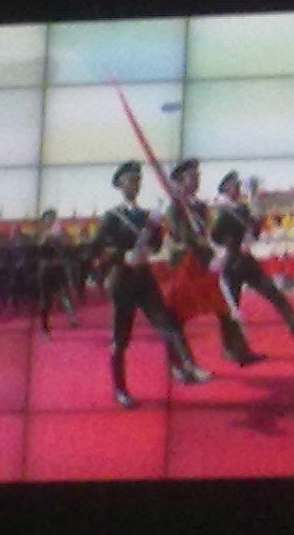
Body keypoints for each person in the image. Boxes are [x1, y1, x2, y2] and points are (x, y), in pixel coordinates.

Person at [90, 160, 210, 408]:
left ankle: (186, 365)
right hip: (122, 280)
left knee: (167, 323)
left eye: (137, 181)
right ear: (120, 185)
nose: (135, 185)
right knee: (121, 338)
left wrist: (154, 234)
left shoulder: (147, 215)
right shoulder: (112, 217)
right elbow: (95, 248)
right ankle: (120, 390)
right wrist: (122, 255)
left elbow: (155, 245)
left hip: (144, 277)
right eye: (130, 181)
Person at [168, 158, 263, 366]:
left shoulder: (200, 207)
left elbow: (209, 234)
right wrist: (209, 256)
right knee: (178, 316)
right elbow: (185, 237)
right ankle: (178, 365)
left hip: (206, 263)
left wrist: (217, 252)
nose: (196, 180)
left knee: (226, 307)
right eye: (192, 177)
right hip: (185, 266)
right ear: (180, 181)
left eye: (197, 176)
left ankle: (235, 350)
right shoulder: (175, 208)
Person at [212, 171, 294, 337]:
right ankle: (231, 342)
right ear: (226, 189)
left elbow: (254, 231)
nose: (238, 189)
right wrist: (233, 245)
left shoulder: (242, 208)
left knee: (272, 292)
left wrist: (256, 223)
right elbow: (215, 236)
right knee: (232, 304)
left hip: (246, 260)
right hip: (231, 262)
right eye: (235, 186)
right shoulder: (224, 210)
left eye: (238, 185)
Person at [32, 208, 79, 336]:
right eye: (49, 218)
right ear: (44, 220)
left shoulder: (60, 232)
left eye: (53, 218)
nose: (51, 220)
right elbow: (38, 248)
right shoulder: (39, 233)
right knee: (46, 299)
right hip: (46, 269)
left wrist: (64, 237)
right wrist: (48, 236)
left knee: (65, 293)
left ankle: (71, 317)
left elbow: (69, 245)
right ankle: (45, 326)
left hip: (59, 268)